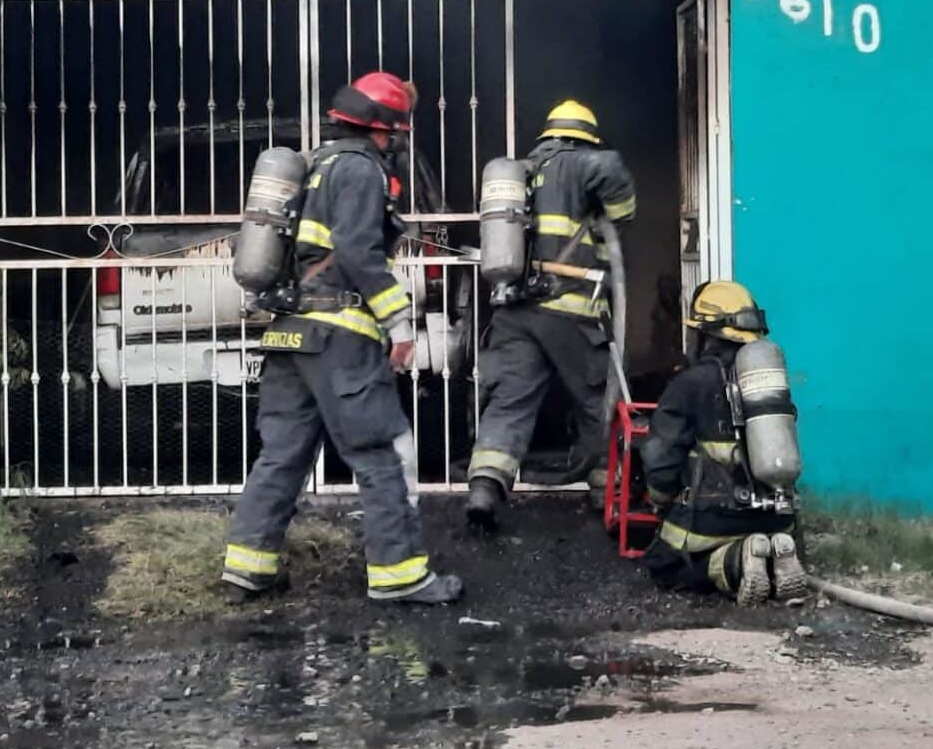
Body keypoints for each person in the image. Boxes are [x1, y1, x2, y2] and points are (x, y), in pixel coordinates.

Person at [222, 71, 463, 605]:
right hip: (339, 337)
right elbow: (358, 253)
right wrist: (399, 324)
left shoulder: (312, 166)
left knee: (281, 455)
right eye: (398, 129)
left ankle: (246, 569)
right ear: (387, 128)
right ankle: (399, 576)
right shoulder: (359, 170)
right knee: (377, 453)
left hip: (290, 335)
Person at [466, 99, 637, 531]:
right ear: (584, 138)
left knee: (509, 401)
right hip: (570, 309)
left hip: (515, 309)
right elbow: (613, 172)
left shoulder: (520, 173)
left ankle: (485, 486)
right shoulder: (583, 163)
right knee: (598, 400)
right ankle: (604, 492)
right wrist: (618, 213)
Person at [639, 280, 805, 605]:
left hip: (711, 521)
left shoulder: (688, 384)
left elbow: (660, 455)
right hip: (778, 517)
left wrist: (660, 499)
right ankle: (774, 551)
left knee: (665, 567)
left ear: (704, 334)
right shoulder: (769, 383)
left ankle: (736, 561)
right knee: (767, 536)